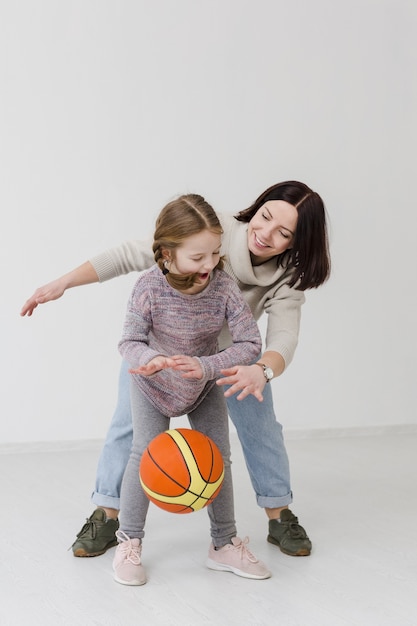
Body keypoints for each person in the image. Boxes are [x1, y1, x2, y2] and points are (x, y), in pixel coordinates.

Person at [21, 180, 331, 560]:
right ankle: (107, 513)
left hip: (229, 359)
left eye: (284, 232)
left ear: (298, 242)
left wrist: (262, 371)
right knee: (129, 426)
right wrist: (64, 282)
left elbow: (283, 336)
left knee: (261, 425)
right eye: (265, 217)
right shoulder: (214, 230)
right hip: (163, 354)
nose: (266, 234)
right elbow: (131, 255)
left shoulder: (286, 277)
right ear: (256, 208)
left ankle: (278, 513)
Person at [112, 193, 270, 584]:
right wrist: (149, 360)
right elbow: (128, 341)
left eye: (215, 254)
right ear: (167, 254)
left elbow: (251, 345)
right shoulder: (148, 287)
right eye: (198, 257)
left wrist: (205, 366)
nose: (209, 265)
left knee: (219, 457)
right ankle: (129, 542)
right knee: (142, 456)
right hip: (153, 385)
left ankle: (223, 544)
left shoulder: (224, 287)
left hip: (203, 384)